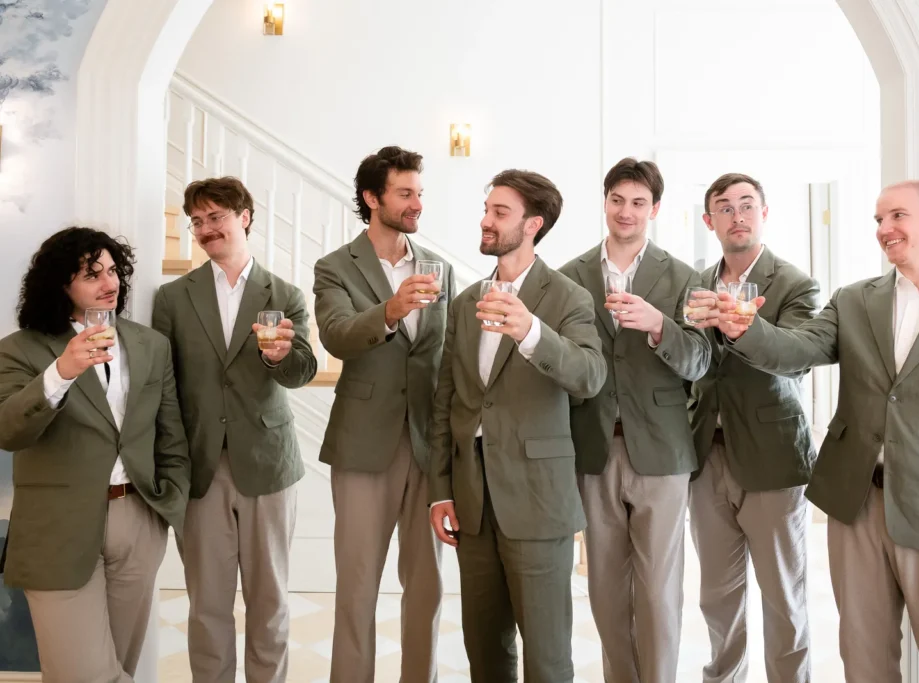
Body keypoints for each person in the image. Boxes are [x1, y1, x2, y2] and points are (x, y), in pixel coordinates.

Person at [707, 180, 919, 683]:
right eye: (879, 219)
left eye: (897, 216)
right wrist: (747, 328)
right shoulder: (853, 300)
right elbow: (798, 349)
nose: (884, 229)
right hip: (855, 507)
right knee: (863, 662)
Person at [428, 169, 607, 682]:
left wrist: (531, 332)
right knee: (484, 652)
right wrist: (441, 491)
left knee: (547, 658)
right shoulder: (465, 302)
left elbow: (590, 376)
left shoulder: (568, 297)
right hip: (472, 504)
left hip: (538, 502)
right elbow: (447, 402)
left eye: (499, 212)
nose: (486, 220)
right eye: (487, 210)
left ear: (533, 224)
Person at [0, 227, 189, 682]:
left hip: (137, 519)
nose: (110, 283)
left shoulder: (150, 345)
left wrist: (167, 504)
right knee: (82, 675)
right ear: (60, 286)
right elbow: (8, 431)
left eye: (112, 270)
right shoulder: (19, 349)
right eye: (91, 274)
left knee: (121, 665)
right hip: (58, 526)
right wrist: (61, 372)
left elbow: (170, 436)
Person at [152, 177, 317, 683]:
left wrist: (281, 356)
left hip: (268, 463)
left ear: (244, 217)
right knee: (207, 604)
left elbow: (303, 371)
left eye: (216, 217)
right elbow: (163, 385)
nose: (205, 229)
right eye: (197, 221)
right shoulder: (172, 298)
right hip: (199, 466)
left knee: (269, 601)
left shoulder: (284, 293)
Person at [558, 157, 710, 682]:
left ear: (655, 209)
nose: (626, 211)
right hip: (593, 449)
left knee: (659, 589)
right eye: (617, 200)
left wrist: (658, 325)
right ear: (605, 203)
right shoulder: (569, 277)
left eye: (638, 202)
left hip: (662, 450)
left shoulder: (684, 276)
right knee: (604, 588)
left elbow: (700, 360)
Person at [312, 146, 453, 683]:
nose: (417, 203)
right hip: (363, 445)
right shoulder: (335, 267)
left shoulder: (438, 268)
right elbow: (338, 336)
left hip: (428, 446)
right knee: (357, 587)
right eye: (405, 193)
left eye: (420, 192)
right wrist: (392, 309)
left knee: (427, 587)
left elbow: (446, 356)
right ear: (372, 198)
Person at [688, 173, 820, 683]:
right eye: (725, 207)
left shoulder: (795, 284)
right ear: (710, 221)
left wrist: (742, 327)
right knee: (717, 597)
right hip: (706, 454)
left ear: (764, 214)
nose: (737, 215)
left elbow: (796, 359)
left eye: (747, 205)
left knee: (783, 597)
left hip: (773, 456)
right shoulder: (694, 284)